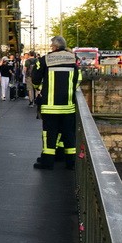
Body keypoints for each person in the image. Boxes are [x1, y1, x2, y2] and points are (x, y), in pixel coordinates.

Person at [31, 35, 81, 169]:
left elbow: (35, 78)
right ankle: (71, 163)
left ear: (54, 47)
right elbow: (78, 79)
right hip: (68, 105)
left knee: (49, 134)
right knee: (69, 134)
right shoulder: (73, 59)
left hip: (50, 106)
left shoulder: (45, 59)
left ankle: (48, 162)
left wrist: (40, 89)